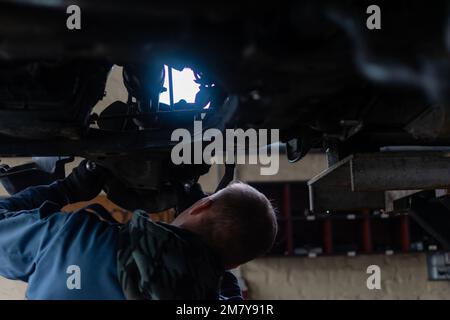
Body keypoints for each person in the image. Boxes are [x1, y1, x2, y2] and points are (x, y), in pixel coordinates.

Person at [0, 160, 277, 300]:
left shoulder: (75, 237)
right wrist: (216, 267)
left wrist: (67, 189)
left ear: (201, 207)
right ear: (233, 263)